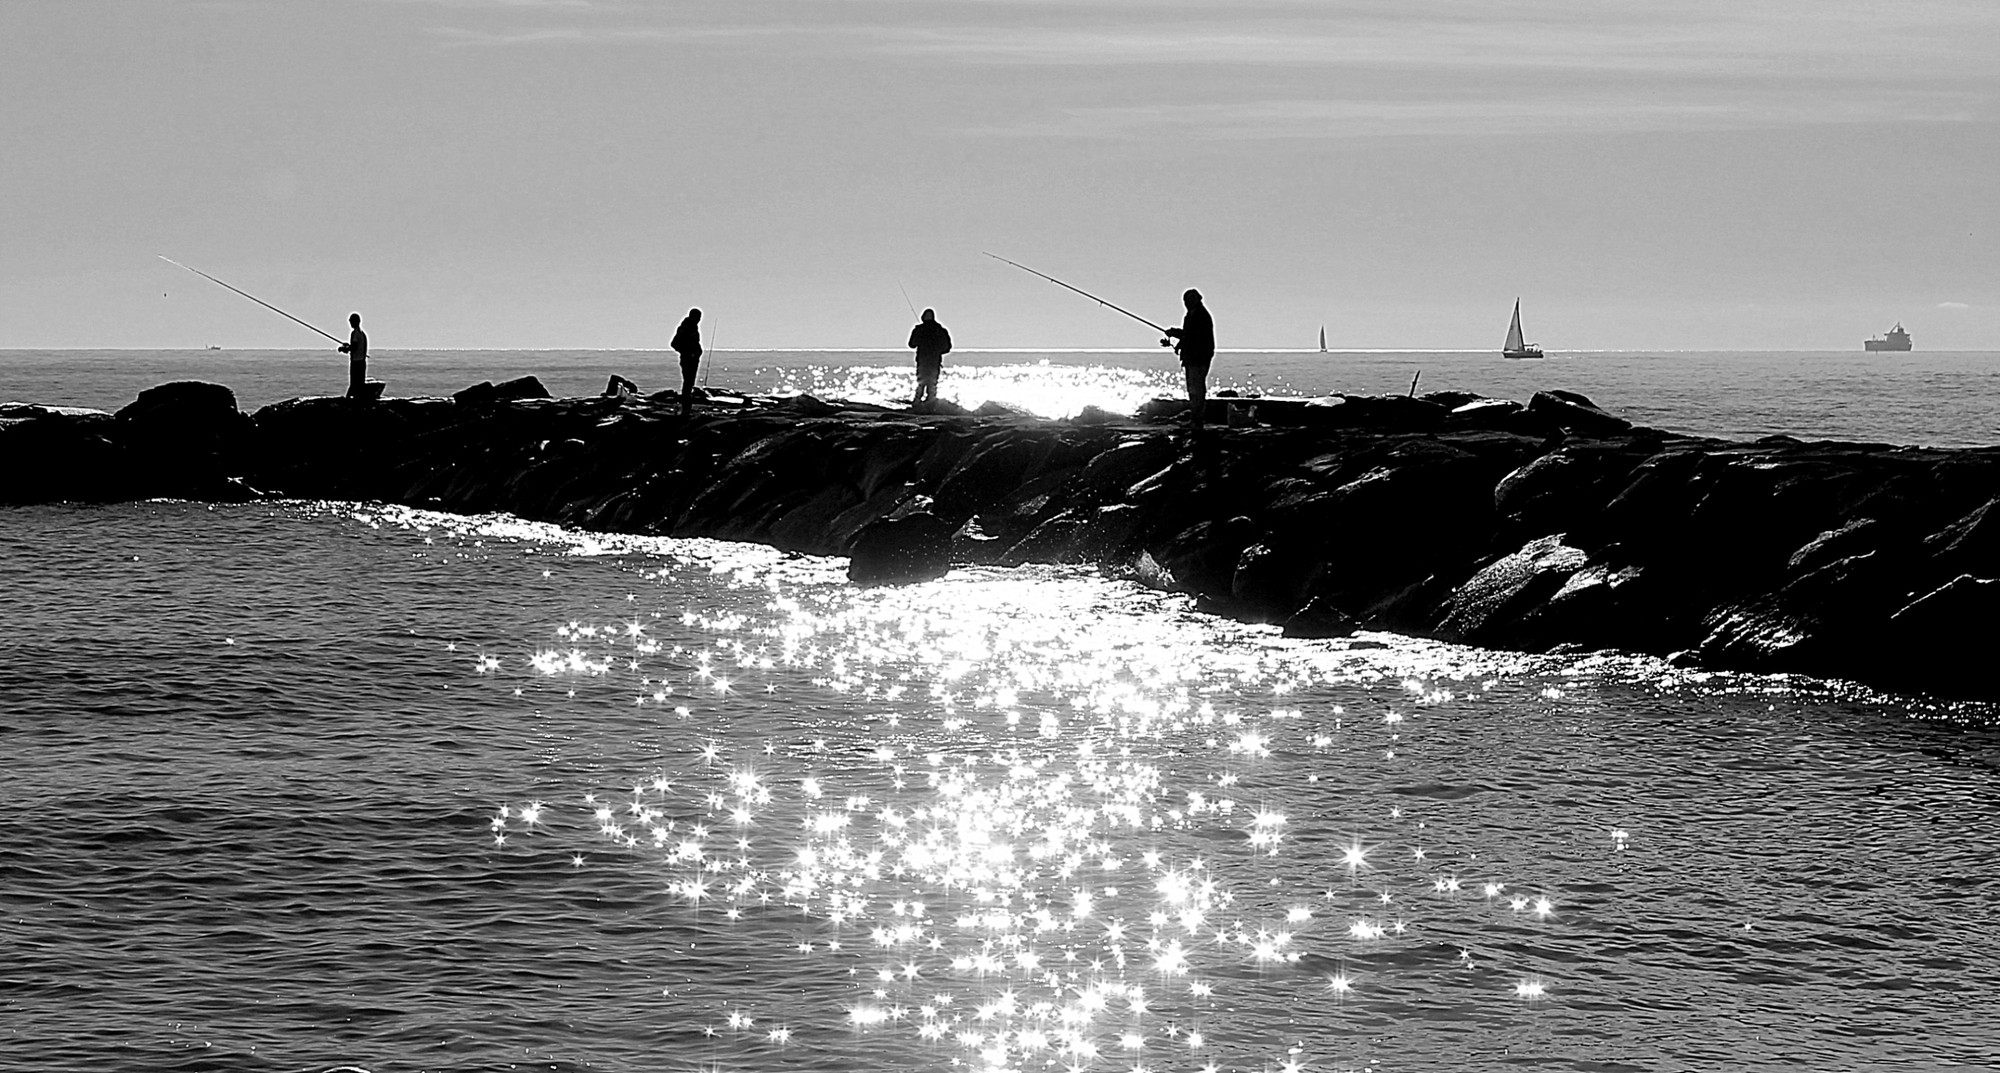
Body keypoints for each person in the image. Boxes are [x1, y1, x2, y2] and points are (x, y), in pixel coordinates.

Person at [1161, 288, 1214, 430]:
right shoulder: (1191, 315)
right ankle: (1195, 420)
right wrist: (1176, 339)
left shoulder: (1201, 316)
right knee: (1193, 389)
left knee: (1197, 390)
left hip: (1199, 358)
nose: (1187, 303)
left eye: (1190, 300)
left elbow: (1193, 337)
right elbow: (1188, 336)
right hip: (1192, 358)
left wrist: (1176, 334)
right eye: (1186, 301)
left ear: (1197, 300)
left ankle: (1198, 422)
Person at [907, 308, 952, 409]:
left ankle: (918, 402)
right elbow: (947, 347)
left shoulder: (919, 329)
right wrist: (937, 352)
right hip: (934, 360)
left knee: (921, 381)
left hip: (923, 360)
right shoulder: (940, 330)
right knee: (932, 382)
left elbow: (911, 344)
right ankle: (931, 403)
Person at [671, 308, 703, 416]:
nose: (699, 320)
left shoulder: (693, 327)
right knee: (688, 384)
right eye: (697, 317)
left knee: (689, 384)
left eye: (700, 318)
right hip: (688, 360)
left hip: (693, 360)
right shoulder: (685, 328)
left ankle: (686, 409)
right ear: (692, 316)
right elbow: (674, 344)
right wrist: (687, 353)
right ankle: (686, 410)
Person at [337, 312, 368, 399]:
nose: (350, 323)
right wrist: (348, 346)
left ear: (355, 322)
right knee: (360, 383)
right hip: (362, 362)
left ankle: (348, 399)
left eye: (351, 321)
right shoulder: (362, 334)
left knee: (354, 383)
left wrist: (343, 349)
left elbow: (353, 348)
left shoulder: (354, 333)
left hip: (356, 362)